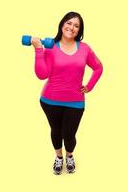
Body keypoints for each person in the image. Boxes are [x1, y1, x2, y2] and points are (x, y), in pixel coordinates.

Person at [31, 11, 103, 175]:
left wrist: (90, 86)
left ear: (80, 30)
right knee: (56, 131)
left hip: (75, 101)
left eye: (76, 26)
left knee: (69, 134)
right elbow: (42, 75)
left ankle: (69, 155)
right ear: (62, 24)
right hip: (50, 100)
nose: (72, 27)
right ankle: (59, 157)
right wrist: (38, 50)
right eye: (69, 23)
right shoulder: (50, 47)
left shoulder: (85, 49)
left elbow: (98, 67)